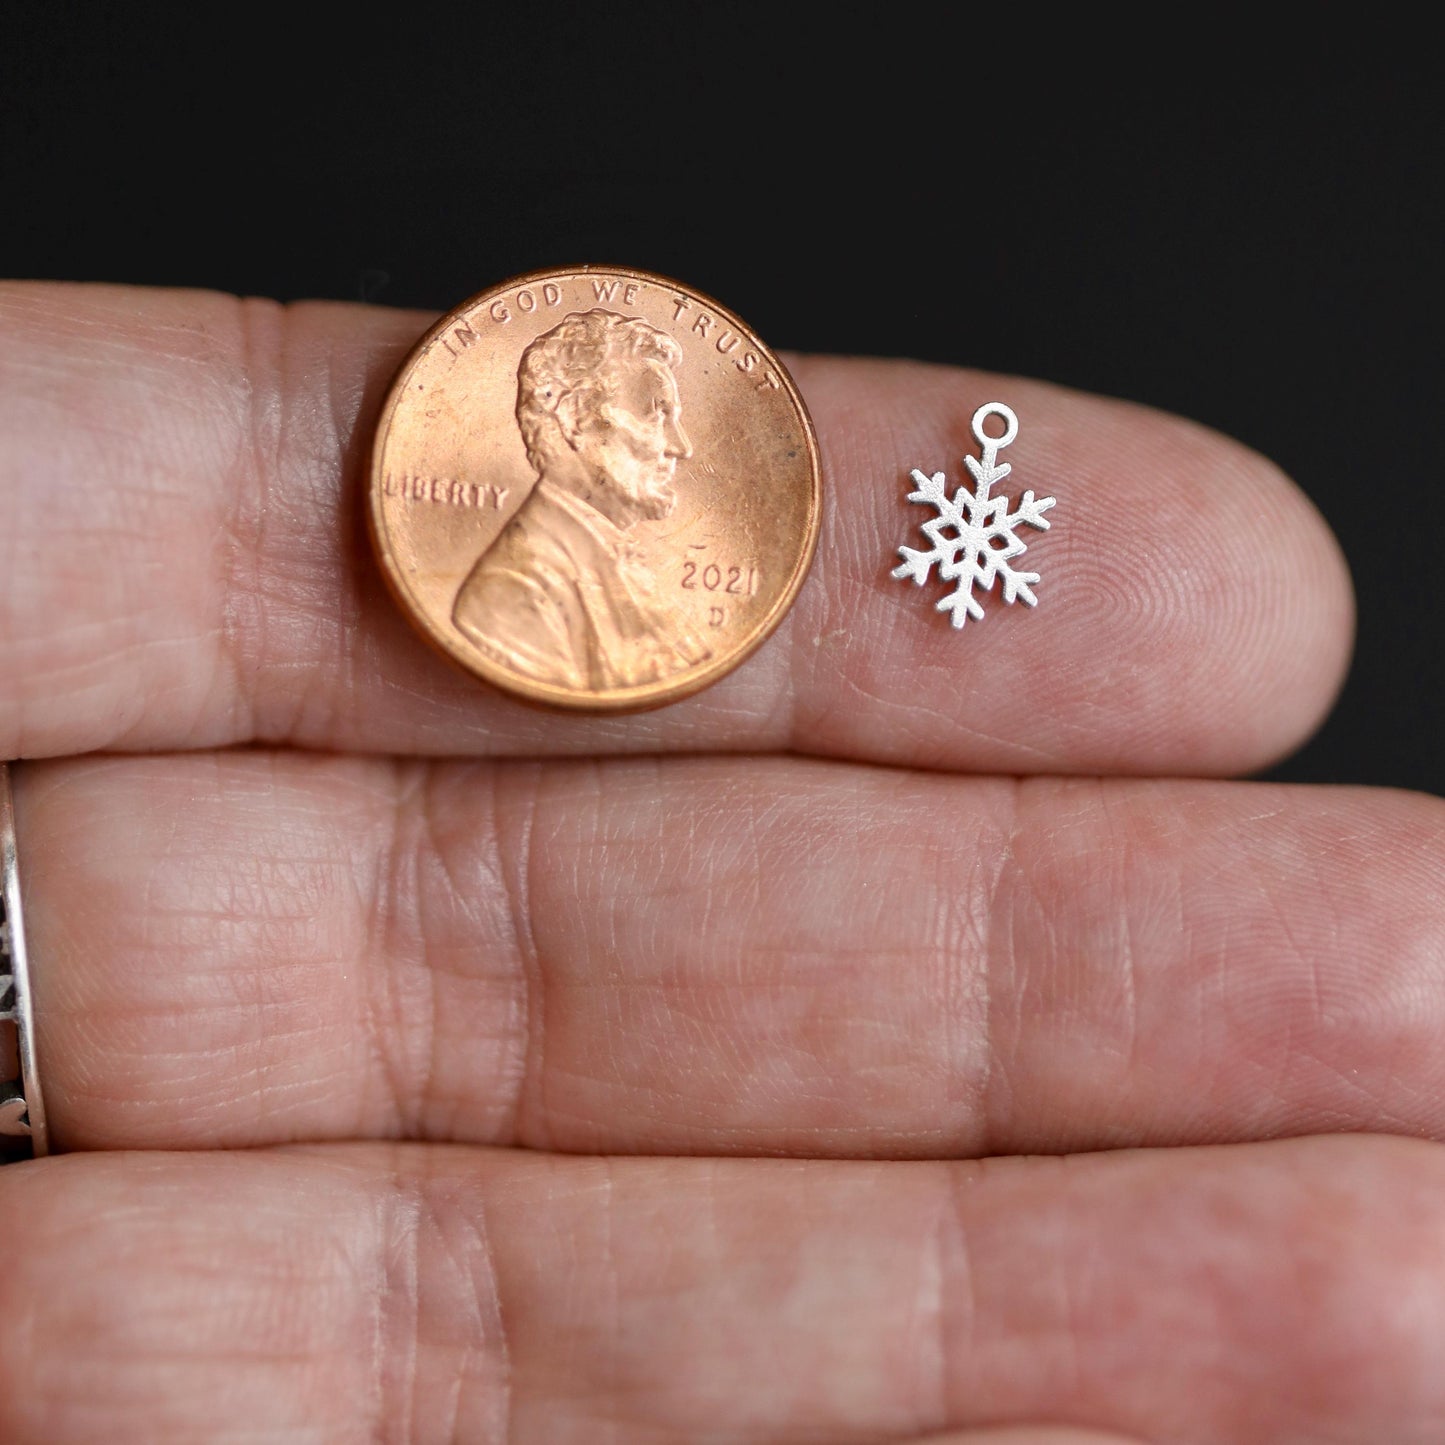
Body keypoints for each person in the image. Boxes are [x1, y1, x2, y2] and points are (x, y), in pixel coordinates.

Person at [1, 279, 1441, 1444]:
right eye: (641, 427)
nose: (678, 453)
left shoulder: (635, 580)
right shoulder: (528, 593)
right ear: (560, 442)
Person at [452, 307, 710, 692]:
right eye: (656, 414)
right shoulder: (513, 591)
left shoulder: (621, 566)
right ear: (573, 418)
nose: (680, 447)